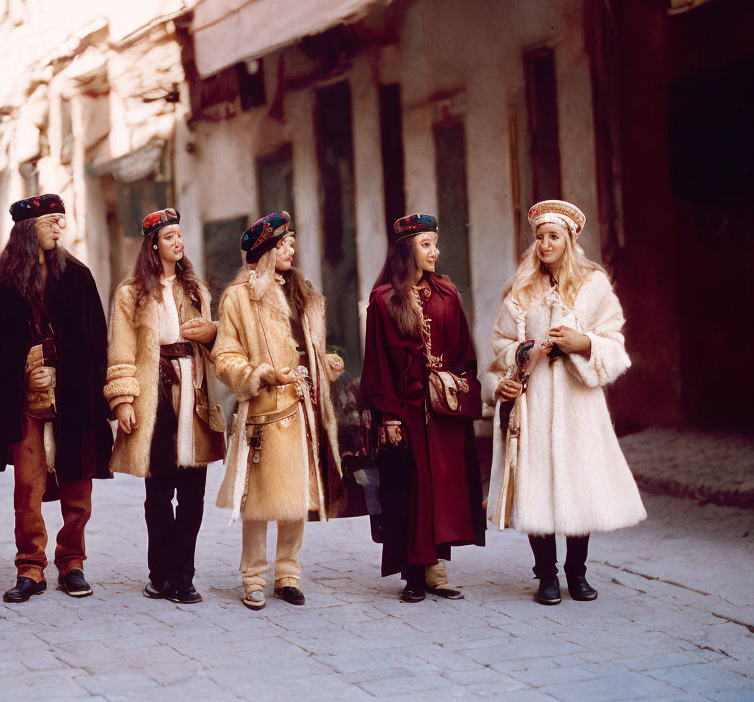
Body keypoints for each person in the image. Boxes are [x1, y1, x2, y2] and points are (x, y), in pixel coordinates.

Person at [484, 200, 646, 605]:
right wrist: (525, 352)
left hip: (578, 404)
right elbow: (500, 343)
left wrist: (584, 343)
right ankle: (546, 576)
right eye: (539, 237)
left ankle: (577, 572)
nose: (544, 244)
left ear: (569, 241)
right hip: (536, 402)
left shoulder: (593, 286)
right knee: (536, 486)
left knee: (578, 484)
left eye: (553, 237)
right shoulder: (522, 291)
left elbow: (615, 343)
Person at [0, 194, 113, 603]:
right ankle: (30, 566)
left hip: (72, 398)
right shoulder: (2, 284)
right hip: (26, 403)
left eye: (62, 220)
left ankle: (72, 561)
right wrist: (25, 370)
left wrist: (59, 366)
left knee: (78, 483)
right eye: (51, 221)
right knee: (28, 484)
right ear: (27, 229)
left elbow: (97, 345)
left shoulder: (78, 276)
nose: (60, 227)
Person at [213, 211, 345, 611]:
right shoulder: (240, 297)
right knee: (258, 501)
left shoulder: (304, 293)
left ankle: (288, 574)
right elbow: (224, 356)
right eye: (283, 244)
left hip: (302, 407)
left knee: (297, 495)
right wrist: (258, 373)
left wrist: (327, 364)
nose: (291, 249)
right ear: (265, 252)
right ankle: (253, 576)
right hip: (263, 412)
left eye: (291, 242)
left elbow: (314, 347)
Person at [360, 213, 485, 603]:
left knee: (443, 490)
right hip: (406, 411)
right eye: (426, 244)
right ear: (406, 250)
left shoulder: (448, 293)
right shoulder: (383, 301)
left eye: (435, 243)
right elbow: (378, 363)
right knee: (410, 491)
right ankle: (413, 573)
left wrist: (458, 386)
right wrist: (389, 415)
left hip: (442, 410)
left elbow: (465, 350)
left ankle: (437, 570)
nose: (435, 251)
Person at [104, 208, 225, 604]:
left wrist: (211, 335)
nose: (178, 242)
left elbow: (215, 344)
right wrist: (123, 400)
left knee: (193, 493)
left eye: (179, 234)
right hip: (153, 394)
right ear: (153, 244)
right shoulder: (131, 293)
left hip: (194, 394)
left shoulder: (195, 290)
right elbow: (121, 350)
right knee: (158, 493)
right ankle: (160, 574)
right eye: (169, 236)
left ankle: (184, 575)